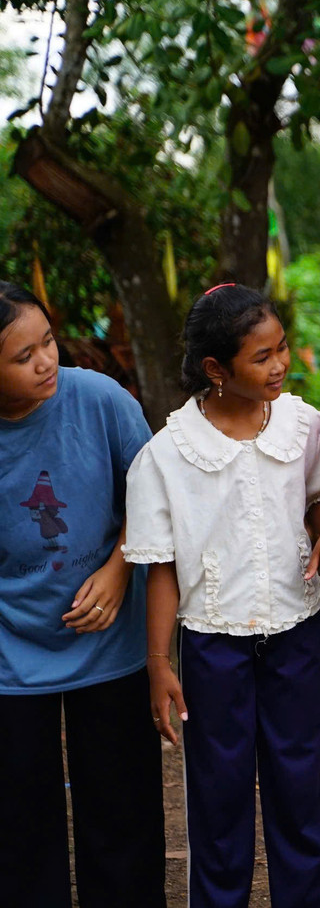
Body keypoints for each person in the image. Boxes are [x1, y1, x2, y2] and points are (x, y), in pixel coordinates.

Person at [126, 283, 320, 908]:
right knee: (217, 798)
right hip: (211, 645)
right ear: (216, 369)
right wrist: (159, 663)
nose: (280, 364)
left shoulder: (307, 428)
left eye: (282, 348)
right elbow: (161, 568)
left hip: (295, 636)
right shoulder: (167, 455)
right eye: (262, 356)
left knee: (300, 788)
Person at [0, 281, 165, 907]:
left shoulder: (99, 399)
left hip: (110, 637)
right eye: (23, 356)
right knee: (18, 819)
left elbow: (154, 498)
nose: (46, 362)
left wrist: (120, 567)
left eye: (47, 342)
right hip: (11, 647)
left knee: (121, 810)